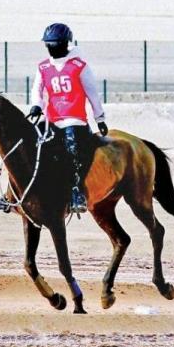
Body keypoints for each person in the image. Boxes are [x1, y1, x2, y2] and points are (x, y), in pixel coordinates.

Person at [26, 23, 108, 214]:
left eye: (55, 44)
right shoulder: (43, 67)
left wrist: (100, 118)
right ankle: (18, 191)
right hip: (51, 119)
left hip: (74, 120)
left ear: (65, 43)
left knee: (71, 151)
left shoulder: (79, 66)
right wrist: (36, 105)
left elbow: (92, 93)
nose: (52, 49)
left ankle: (76, 192)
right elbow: (36, 89)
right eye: (49, 45)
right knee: (28, 144)